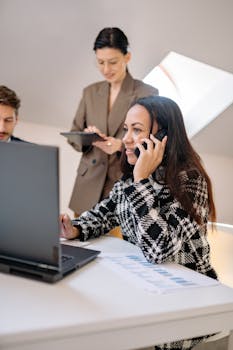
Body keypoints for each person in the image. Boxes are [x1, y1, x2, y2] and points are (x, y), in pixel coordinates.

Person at [61, 95, 217, 350]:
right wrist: (75, 227)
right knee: (85, 318)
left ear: (163, 137)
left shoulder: (190, 180)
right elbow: (103, 214)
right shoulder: (128, 180)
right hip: (147, 287)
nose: (126, 139)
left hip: (188, 299)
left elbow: (159, 250)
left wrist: (142, 180)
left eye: (137, 130)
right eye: (126, 129)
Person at [68, 27, 158, 216]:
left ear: (127, 57)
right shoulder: (90, 92)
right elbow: (73, 134)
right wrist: (88, 137)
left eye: (112, 62)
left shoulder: (147, 93)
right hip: (87, 186)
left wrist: (120, 146)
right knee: (78, 241)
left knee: (115, 244)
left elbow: (153, 145)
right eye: (100, 62)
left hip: (121, 184)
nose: (106, 69)